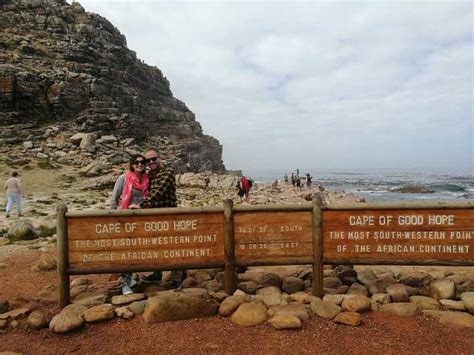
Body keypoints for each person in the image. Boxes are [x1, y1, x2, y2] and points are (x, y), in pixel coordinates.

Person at [138, 147, 184, 288]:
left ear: (159, 158)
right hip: (154, 217)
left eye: (154, 159)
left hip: (169, 216)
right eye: (148, 160)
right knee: (155, 245)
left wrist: (140, 206)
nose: (151, 162)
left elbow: (158, 192)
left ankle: (177, 276)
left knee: (172, 245)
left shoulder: (167, 172)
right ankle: (157, 274)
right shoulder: (148, 176)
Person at [111, 154, 149, 295]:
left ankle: (131, 278)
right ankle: (124, 283)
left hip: (139, 221)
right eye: (137, 162)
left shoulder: (146, 180)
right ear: (132, 164)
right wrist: (113, 218)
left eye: (142, 162)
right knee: (126, 251)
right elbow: (114, 199)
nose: (140, 164)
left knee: (136, 250)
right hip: (124, 219)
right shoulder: (124, 178)